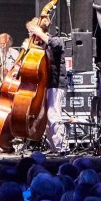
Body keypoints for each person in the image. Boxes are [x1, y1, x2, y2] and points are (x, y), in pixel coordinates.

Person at [26, 16, 68, 155]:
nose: (30, 35)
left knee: (54, 115)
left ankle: (62, 147)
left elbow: (57, 45)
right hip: (45, 86)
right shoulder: (38, 46)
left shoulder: (54, 40)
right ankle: (54, 147)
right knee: (46, 118)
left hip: (56, 84)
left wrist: (40, 33)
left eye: (32, 31)